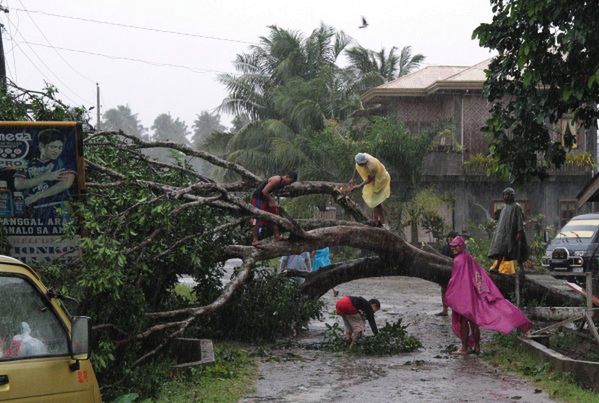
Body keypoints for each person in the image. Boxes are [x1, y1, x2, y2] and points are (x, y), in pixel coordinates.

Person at [445, 236, 531, 355]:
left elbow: (456, 280)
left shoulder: (458, 260)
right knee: (473, 321)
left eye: (455, 246)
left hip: (464, 297)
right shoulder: (469, 258)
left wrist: (452, 294)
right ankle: (477, 346)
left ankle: (465, 347)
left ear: (461, 246)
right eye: (452, 246)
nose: (453, 248)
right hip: (473, 296)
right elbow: (478, 276)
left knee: (464, 321)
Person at [14, 129, 76, 223]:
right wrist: (44, 177)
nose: (57, 151)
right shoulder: (27, 163)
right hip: (33, 211)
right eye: (53, 147)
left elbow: (66, 183)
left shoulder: (63, 162)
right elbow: (18, 184)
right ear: (41, 146)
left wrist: (38, 196)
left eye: (60, 148)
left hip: (59, 207)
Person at [488, 187, 528, 274]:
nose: (505, 197)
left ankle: (521, 270)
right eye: (504, 195)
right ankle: (497, 267)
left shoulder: (516, 207)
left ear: (512, 196)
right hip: (503, 233)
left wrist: (519, 231)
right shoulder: (504, 207)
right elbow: (501, 220)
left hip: (513, 233)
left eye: (507, 195)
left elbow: (519, 220)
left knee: (517, 252)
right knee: (501, 250)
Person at [250, 172, 298, 245]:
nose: (289, 184)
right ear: (287, 177)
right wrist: (271, 200)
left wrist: (272, 201)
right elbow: (264, 191)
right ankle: (255, 240)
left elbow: (271, 192)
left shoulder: (282, 184)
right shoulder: (277, 179)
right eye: (290, 181)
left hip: (266, 199)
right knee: (256, 219)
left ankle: (277, 236)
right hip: (258, 198)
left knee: (275, 216)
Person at [347, 153, 391, 226]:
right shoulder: (359, 160)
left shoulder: (372, 165)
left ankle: (381, 223)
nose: (362, 165)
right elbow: (357, 167)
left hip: (380, 179)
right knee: (374, 202)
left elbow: (369, 179)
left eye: (364, 163)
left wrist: (358, 186)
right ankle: (376, 220)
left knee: (376, 202)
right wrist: (353, 178)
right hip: (373, 181)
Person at [435, 231, 458, 316]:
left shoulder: (458, 248)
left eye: (451, 237)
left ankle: (456, 311)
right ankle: (445, 310)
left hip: (454, 273)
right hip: (444, 273)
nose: (449, 239)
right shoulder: (445, 248)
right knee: (443, 290)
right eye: (448, 237)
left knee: (454, 292)